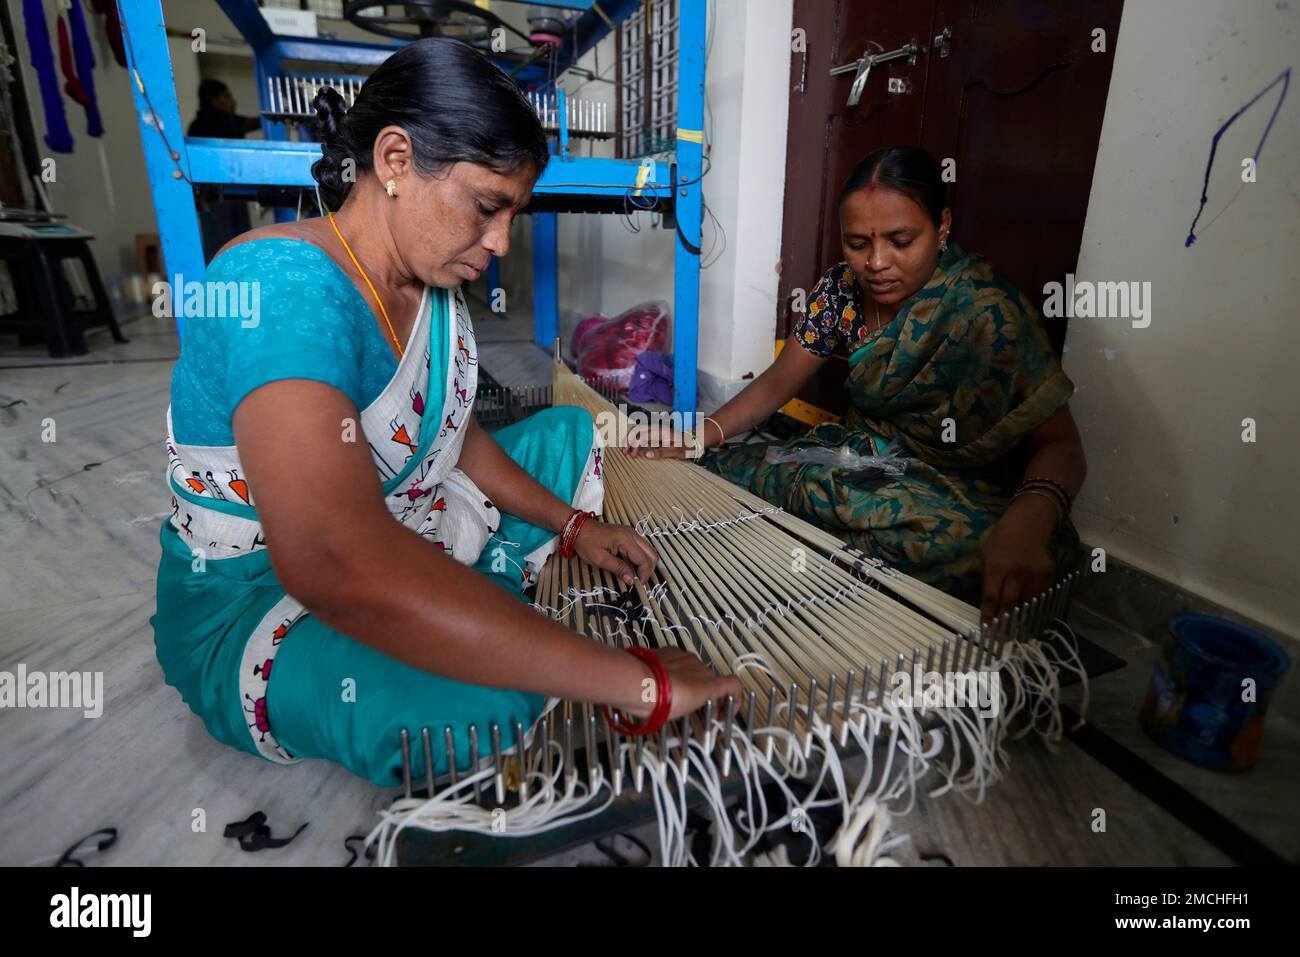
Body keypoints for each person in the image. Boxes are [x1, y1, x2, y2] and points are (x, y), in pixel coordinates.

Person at [152, 39, 739, 787]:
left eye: (513, 214)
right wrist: (639, 682)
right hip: (266, 596)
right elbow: (330, 555)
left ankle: (462, 597)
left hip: (388, 524)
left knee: (565, 431)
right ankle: (468, 604)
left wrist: (575, 526)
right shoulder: (279, 288)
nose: (499, 242)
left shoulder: (427, 287)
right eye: (488, 206)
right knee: (476, 706)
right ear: (395, 160)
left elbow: (452, 435)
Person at [628, 146, 1086, 623]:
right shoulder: (841, 291)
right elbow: (780, 380)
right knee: (745, 474)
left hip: (954, 493)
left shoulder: (987, 310)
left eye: (901, 240)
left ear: (943, 226)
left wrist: (1029, 523)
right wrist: (700, 435)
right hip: (860, 470)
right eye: (857, 243)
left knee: (975, 548)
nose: (877, 262)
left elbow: (1063, 445)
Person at [187, 80, 261, 260]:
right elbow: (254, 122)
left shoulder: (196, 126)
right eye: (227, 96)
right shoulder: (223, 119)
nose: (233, 101)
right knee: (239, 247)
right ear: (214, 100)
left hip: (208, 199)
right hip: (228, 196)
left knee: (216, 249)